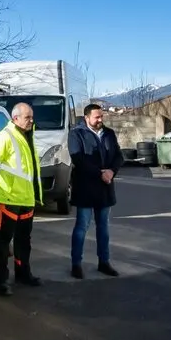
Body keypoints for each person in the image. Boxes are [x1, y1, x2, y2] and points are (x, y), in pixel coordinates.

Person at [0, 102, 43, 296]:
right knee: (3, 242)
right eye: (28, 117)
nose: (31, 121)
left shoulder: (28, 136)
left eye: (32, 117)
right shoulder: (3, 138)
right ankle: (0, 280)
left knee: (24, 240)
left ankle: (23, 273)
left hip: (26, 199)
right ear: (15, 118)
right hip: (9, 199)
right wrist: (1, 192)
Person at [68, 104, 123, 279]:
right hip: (86, 187)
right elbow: (78, 159)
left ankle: (104, 262)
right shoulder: (76, 134)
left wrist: (112, 171)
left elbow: (118, 156)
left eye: (101, 117)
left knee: (103, 227)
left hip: (105, 188)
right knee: (82, 226)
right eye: (96, 117)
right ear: (86, 118)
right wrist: (100, 173)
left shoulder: (109, 134)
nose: (100, 120)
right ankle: (76, 263)